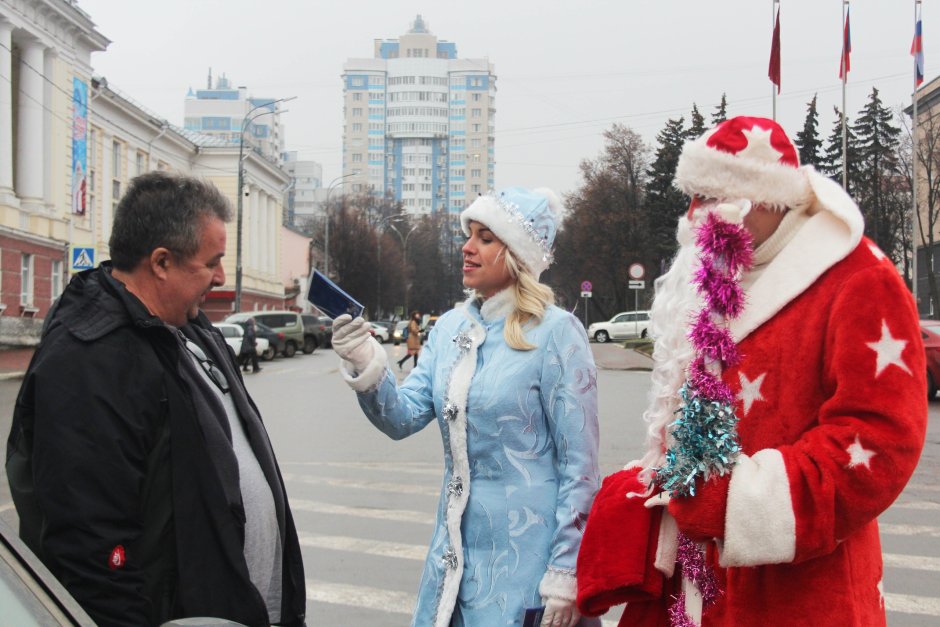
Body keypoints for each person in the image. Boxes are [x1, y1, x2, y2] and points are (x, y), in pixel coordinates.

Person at [577, 116, 927, 625]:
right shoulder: (723, 276)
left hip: (800, 592)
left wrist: (735, 500)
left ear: (760, 196)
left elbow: (880, 438)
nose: (692, 216)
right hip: (699, 585)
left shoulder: (856, 278)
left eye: (707, 197)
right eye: (691, 198)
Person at [6, 171, 305, 626]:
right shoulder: (90, 359)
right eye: (212, 262)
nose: (222, 276)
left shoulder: (189, 325)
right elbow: (92, 548)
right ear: (162, 262)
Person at [331, 187, 600, 626]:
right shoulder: (450, 328)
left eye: (485, 238)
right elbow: (401, 417)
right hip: (453, 557)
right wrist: (365, 361)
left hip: (528, 562)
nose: (467, 247)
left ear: (516, 253)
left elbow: (580, 467)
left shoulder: (557, 333)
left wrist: (565, 573)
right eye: (468, 234)